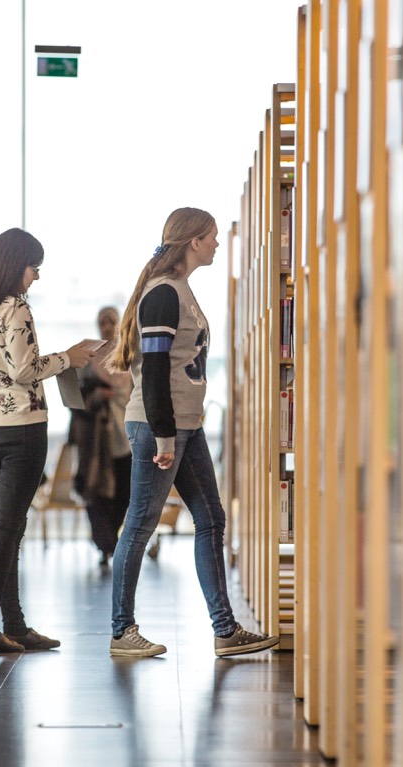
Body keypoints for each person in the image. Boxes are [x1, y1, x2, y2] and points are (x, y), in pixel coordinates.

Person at [108, 207, 279, 659]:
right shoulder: (163, 294)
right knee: (140, 525)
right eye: (213, 237)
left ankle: (225, 630)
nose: (218, 244)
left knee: (211, 519)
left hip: (187, 425)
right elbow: (156, 373)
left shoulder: (181, 291)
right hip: (158, 425)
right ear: (193, 242)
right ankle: (122, 631)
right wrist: (164, 436)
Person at [0, 227, 98, 652]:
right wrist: (69, 359)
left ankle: (14, 624)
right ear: (15, 266)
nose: (35, 277)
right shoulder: (15, 307)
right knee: (6, 528)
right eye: (33, 268)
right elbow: (24, 370)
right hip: (22, 429)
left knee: (9, 528)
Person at [69, 306, 132, 566]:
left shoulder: (130, 356)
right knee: (95, 491)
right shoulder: (88, 358)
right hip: (95, 438)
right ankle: (105, 544)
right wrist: (95, 396)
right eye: (102, 322)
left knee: (123, 492)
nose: (107, 326)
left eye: (111, 321)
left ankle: (112, 541)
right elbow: (73, 396)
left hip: (126, 436)